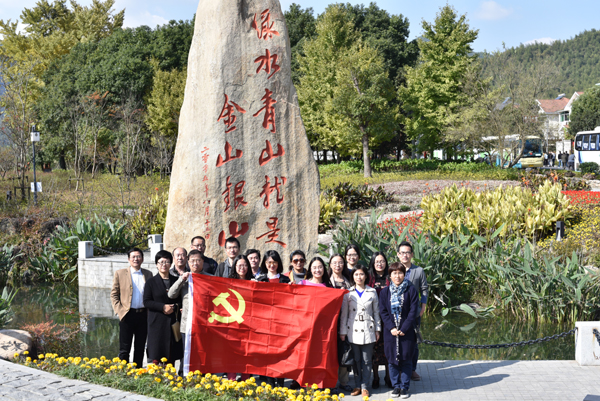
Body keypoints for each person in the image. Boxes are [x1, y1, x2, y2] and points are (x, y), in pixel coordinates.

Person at [379, 262, 419, 399]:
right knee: (392, 361)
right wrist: (391, 327)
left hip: (406, 332)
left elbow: (413, 311)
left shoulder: (411, 290)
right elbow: (383, 312)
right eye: (394, 273)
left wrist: (404, 328)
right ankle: (396, 386)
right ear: (390, 276)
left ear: (404, 274)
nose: (397, 276)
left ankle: (404, 387)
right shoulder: (385, 292)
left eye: (400, 273)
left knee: (406, 360)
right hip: (390, 333)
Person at [340, 266, 381, 398]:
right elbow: (344, 314)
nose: (359, 277)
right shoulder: (348, 293)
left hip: (368, 329)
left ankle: (365, 386)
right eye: (356, 274)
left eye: (362, 274)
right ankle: (357, 385)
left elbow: (376, 312)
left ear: (366, 276)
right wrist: (342, 331)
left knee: (367, 360)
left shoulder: (372, 292)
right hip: (353, 330)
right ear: (353, 276)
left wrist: (378, 329)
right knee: (356, 360)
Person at [110, 248, 152, 368]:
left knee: (140, 347)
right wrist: (119, 311)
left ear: (142, 259)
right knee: (125, 347)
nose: (136, 259)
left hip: (143, 315)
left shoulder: (148, 274)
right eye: (133, 257)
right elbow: (114, 294)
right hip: (127, 314)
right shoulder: (120, 273)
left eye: (138, 256)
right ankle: (123, 371)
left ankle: (138, 371)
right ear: (129, 259)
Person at [255, 250, 289, 387]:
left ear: (278, 263)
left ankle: (280, 383)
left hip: (282, 323)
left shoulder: (285, 280)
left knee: (281, 353)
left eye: (274, 262)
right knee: (267, 353)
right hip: (264, 323)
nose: (272, 265)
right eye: (269, 262)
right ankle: (270, 383)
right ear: (264, 263)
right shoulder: (260, 280)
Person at [143, 250, 183, 365]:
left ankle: (170, 374)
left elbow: (181, 300)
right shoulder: (151, 282)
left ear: (171, 264)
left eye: (166, 262)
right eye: (161, 262)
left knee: (171, 354)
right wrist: (162, 307)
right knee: (157, 354)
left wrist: (174, 307)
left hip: (172, 322)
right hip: (157, 322)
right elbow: (146, 302)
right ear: (156, 264)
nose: (163, 265)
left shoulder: (176, 281)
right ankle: (156, 375)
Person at [168, 250, 211, 354]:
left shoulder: (210, 279)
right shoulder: (185, 279)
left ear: (203, 261)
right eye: (192, 261)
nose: (195, 263)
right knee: (187, 355)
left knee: (204, 354)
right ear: (188, 262)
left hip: (205, 324)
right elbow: (171, 294)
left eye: (198, 260)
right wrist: (181, 279)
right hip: (187, 324)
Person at [397, 241, 428, 382]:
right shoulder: (394, 269)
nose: (405, 255)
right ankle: (398, 369)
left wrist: (423, 307)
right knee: (398, 341)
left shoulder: (418, 271)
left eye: (408, 252)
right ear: (398, 254)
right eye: (402, 252)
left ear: (412, 254)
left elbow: (424, 289)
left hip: (414, 312)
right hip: (397, 312)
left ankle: (412, 369)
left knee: (414, 341)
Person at [328, 254, 353, 393]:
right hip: (330, 322)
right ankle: (331, 382)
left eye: (340, 263)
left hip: (346, 320)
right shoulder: (327, 281)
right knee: (331, 353)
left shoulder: (349, 281)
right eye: (334, 263)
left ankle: (344, 381)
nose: (337, 265)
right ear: (330, 265)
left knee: (344, 351)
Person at [227, 255, 252, 381]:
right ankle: (231, 379)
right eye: (239, 265)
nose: (242, 268)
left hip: (249, 323)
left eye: (245, 265)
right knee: (231, 352)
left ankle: (245, 380)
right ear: (234, 267)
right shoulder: (228, 283)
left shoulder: (253, 283)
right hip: (232, 322)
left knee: (246, 352)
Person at [368, 252, 391, 388]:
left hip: (388, 319)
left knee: (388, 348)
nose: (379, 264)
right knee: (374, 349)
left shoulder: (390, 277)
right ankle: (375, 377)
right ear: (373, 263)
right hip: (372, 318)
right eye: (377, 261)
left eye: (382, 261)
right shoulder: (368, 278)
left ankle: (388, 376)